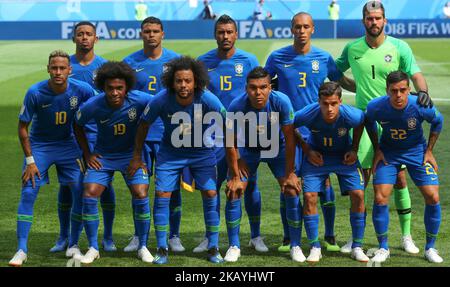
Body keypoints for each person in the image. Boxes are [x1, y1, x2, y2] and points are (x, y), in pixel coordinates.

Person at [335, 0, 433, 254]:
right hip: (364, 123)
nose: (374, 22)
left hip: (394, 123)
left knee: (399, 179)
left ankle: (406, 236)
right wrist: (353, 87)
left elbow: (415, 73)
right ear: (363, 21)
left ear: (384, 21)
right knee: (361, 182)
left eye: (378, 18)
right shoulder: (352, 48)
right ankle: (355, 238)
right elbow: (335, 72)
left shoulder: (399, 47)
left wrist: (423, 92)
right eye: (370, 18)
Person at [264, 12, 355, 253]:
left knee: (324, 184)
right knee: (289, 184)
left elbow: (340, 82)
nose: (301, 31)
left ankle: (330, 236)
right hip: (288, 131)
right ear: (291, 29)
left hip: (317, 131)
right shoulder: (276, 57)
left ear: (313, 29)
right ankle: (288, 238)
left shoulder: (323, 58)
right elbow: (265, 84)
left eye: (306, 27)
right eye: (297, 27)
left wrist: (366, 87)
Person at [128, 56, 229, 264]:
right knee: (163, 193)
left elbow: (228, 127)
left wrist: (235, 167)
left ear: (196, 81)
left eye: (187, 81)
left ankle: (213, 247)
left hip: (201, 152)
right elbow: (143, 125)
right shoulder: (162, 99)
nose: (183, 85)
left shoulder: (208, 99)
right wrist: (137, 156)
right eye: (179, 81)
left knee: (211, 192)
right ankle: (163, 247)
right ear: (171, 82)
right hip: (171, 153)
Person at [9, 50, 95, 266]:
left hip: (69, 145)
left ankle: (73, 243)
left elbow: (101, 105)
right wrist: (30, 161)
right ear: (48, 69)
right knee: (28, 192)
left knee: (79, 191)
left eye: (62, 68)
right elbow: (22, 128)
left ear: (70, 70)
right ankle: (21, 249)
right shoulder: (35, 92)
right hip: (40, 147)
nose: (58, 72)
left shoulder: (82, 90)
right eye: (54, 68)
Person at [73, 61, 153, 264]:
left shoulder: (140, 100)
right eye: (110, 88)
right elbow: (77, 124)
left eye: (119, 88)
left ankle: (142, 246)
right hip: (104, 157)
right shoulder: (94, 104)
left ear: (127, 87)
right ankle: (93, 247)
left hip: (131, 157)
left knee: (141, 192)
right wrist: (88, 154)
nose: (115, 93)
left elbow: (160, 104)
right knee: (90, 193)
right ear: (103, 87)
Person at [194, 14, 261, 254]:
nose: (225, 36)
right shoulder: (202, 63)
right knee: (212, 186)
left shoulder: (249, 60)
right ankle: (210, 237)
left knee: (249, 184)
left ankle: (255, 236)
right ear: (215, 35)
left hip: (244, 133)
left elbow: (259, 93)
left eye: (229, 32)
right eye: (221, 32)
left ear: (236, 34)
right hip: (213, 135)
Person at [365, 71, 443, 264]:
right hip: (389, 153)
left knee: (433, 196)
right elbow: (369, 122)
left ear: (409, 90)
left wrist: (429, 151)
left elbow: (438, 121)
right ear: (387, 90)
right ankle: (383, 247)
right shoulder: (376, 106)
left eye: (402, 90)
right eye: (394, 91)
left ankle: (430, 248)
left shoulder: (420, 106)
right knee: (381, 196)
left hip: (416, 152)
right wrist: (377, 150)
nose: (398, 95)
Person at [224, 67, 301, 262]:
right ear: (246, 88)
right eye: (253, 88)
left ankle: (295, 244)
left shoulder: (281, 102)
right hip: (249, 149)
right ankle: (238, 244)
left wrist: (291, 173)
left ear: (270, 87)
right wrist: (235, 172)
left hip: (278, 148)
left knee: (291, 189)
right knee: (235, 189)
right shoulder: (236, 106)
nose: (258, 93)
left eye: (263, 87)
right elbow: (230, 141)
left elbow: (290, 139)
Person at [123, 16, 185, 253]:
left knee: (173, 187)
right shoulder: (129, 63)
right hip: (141, 135)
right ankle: (139, 237)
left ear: (163, 34)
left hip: (171, 134)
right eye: (147, 31)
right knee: (139, 187)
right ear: (141, 34)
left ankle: (174, 235)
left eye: (155, 31)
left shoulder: (176, 62)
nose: (151, 35)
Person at [294, 82, 368, 263]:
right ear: (318, 101)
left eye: (334, 103)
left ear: (340, 102)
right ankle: (314, 247)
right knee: (310, 196)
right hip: (316, 157)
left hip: (343, 157)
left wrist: (354, 148)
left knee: (358, 194)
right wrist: (306, 149)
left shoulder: (351, 115)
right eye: (325, 103)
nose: (329, 108)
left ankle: (357, 246)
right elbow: (289, 125)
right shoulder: (308, 113)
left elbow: (361, 122)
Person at [62, 21, 117, 253]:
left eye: (89, 34)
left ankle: (108, 236)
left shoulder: (105, 66)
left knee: (104, 183)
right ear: (74, 38)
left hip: (98, 134)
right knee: (69, 184)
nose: (84, 38)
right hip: (68, 135)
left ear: (96, 38)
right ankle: (65, 237)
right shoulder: (65, 65)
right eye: (80, 34)